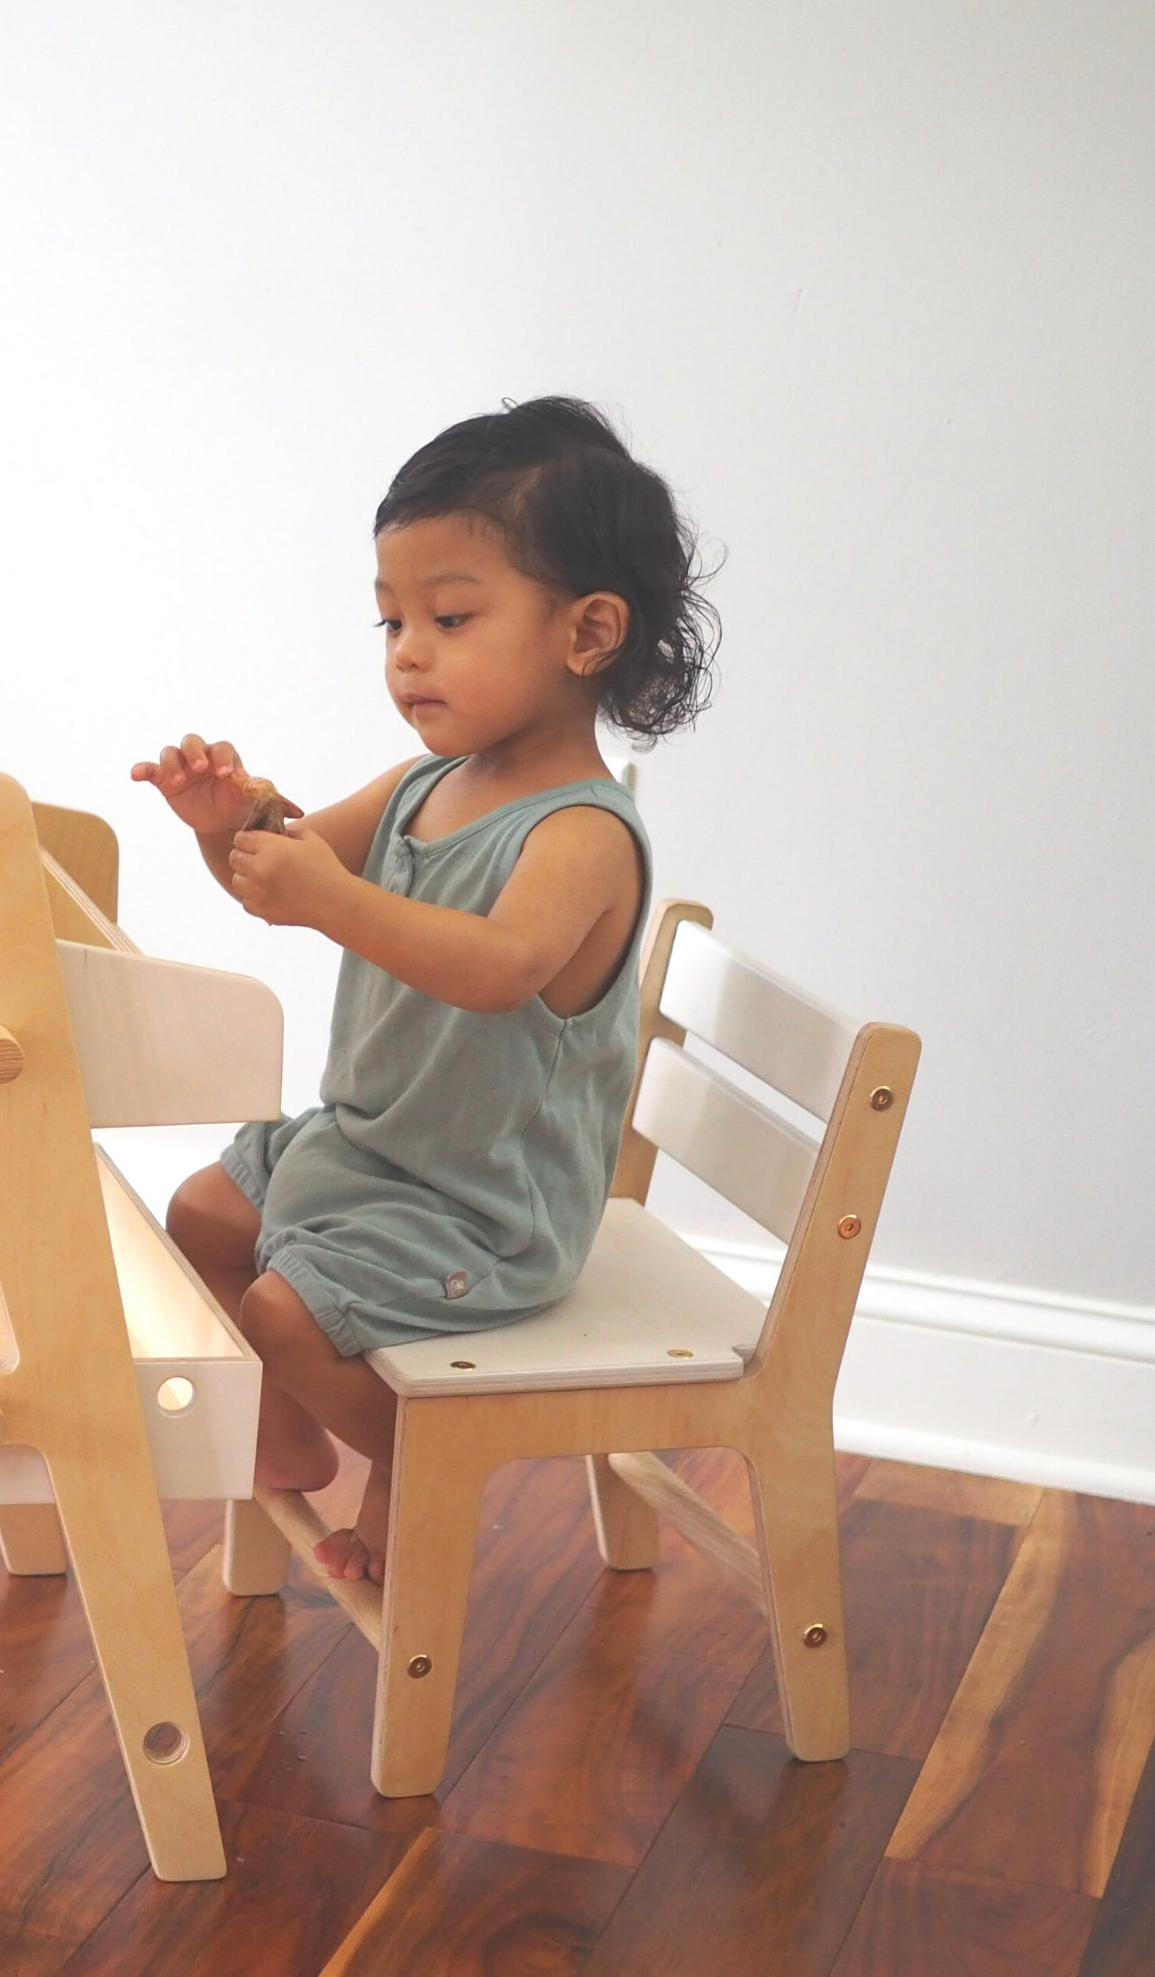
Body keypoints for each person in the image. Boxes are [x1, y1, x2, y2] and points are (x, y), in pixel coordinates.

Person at [133, 396, 718, 1584]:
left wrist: (327, 897)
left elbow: (497, 969)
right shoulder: (421, 782)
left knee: (283, 1313)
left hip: (482, 1203)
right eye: (391, 617)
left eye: (449, 616)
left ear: (587, 631)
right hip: (371, 1146)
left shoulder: (578, 835)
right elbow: (277, 868)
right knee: (196, 1216)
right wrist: (225, 824)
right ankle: (289, 1432)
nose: (406, 649)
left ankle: (429, 1468)